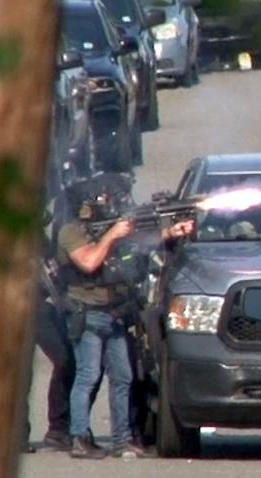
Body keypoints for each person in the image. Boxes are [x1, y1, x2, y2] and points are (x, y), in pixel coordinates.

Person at [58, 174, 193, 459]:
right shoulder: (70, 232)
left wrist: (172, 231)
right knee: (88, 376)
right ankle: (79, 437)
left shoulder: (108, 228)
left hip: (115, 313)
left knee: (123, 376)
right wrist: (114, 234)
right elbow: (89, 261)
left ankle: (122, 439)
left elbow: (141, 242)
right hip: (87, 313)